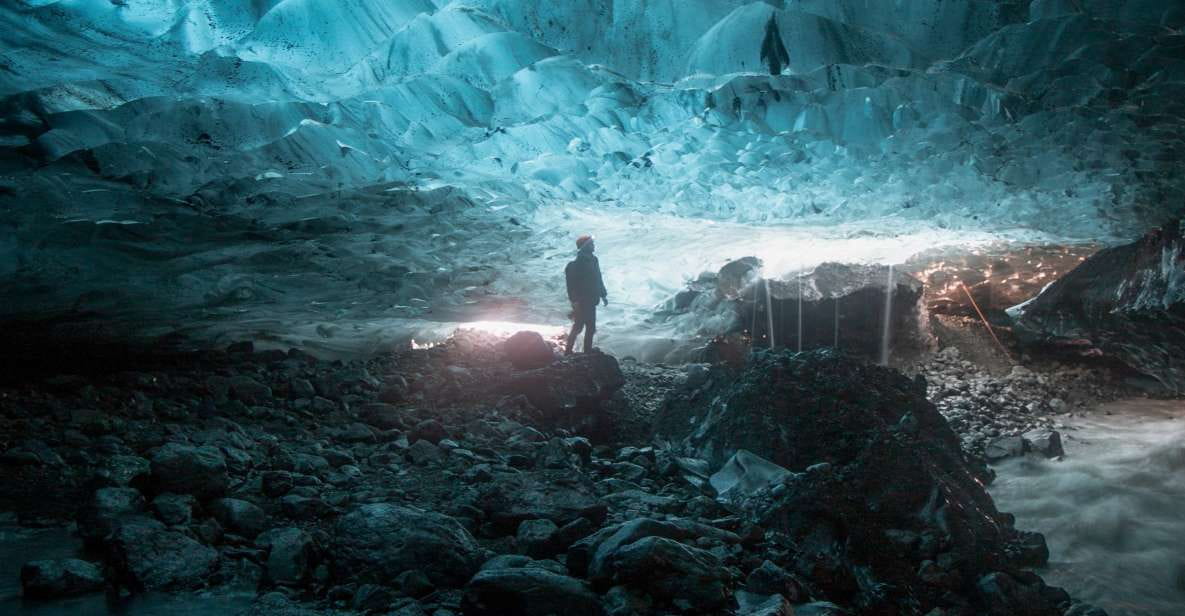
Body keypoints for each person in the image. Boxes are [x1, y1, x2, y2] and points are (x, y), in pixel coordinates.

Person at [565, 235, 608, 354]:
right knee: (579, 326)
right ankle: (568, 351)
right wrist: (574, 301)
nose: (594, 246)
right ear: (585, 246)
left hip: (592, 299)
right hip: (582, 300)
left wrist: (603, 294)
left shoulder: (594, 260)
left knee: (590, 326)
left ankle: (586, 350)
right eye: (591, 244)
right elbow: (571, 285)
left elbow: (598, 278)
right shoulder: (575, 264)